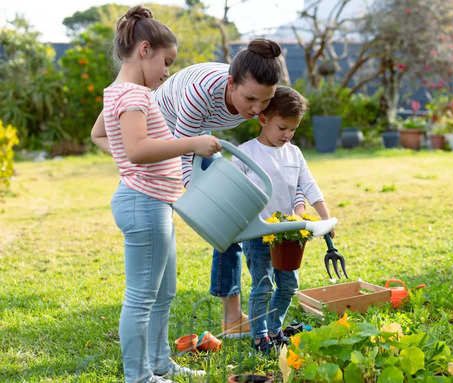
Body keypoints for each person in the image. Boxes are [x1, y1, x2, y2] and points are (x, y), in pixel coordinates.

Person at [92, 39, 288, 338]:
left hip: (199, 135)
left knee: (233, 222)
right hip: (164, 132)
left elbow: (281, 119)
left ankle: (231, 317)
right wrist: (198, 199)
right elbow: (183, 152)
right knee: (223, 221)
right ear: (230, 83)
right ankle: (225, 315)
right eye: (250, 99)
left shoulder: (259, 92)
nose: (257, 108)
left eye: (265, 100)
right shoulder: (201, 91)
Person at [93, 6, 220, 383]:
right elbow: (137, 150)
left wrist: (128, 157)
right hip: (143, 204)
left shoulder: (119, 92)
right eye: (166, 62)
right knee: (142, 298)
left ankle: (160, 362)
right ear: (144, 49)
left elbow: (101, 136)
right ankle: (139, 377)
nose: (167, 73)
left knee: (164, 293)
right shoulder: (133, 96)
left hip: (154, 203)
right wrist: (192, 143)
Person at [233, 86, 333, 354]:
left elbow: (309, 186)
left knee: (289, 285)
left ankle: (274, 329)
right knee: (262, 285)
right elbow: (232, 193)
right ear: (263, 119)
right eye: (282, 128)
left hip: (287, 234)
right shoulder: (245, 154)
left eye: (293, 129)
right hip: (257, 233)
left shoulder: (294, 153)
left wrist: (326, 218)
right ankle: (260, 337)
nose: (288, 135)